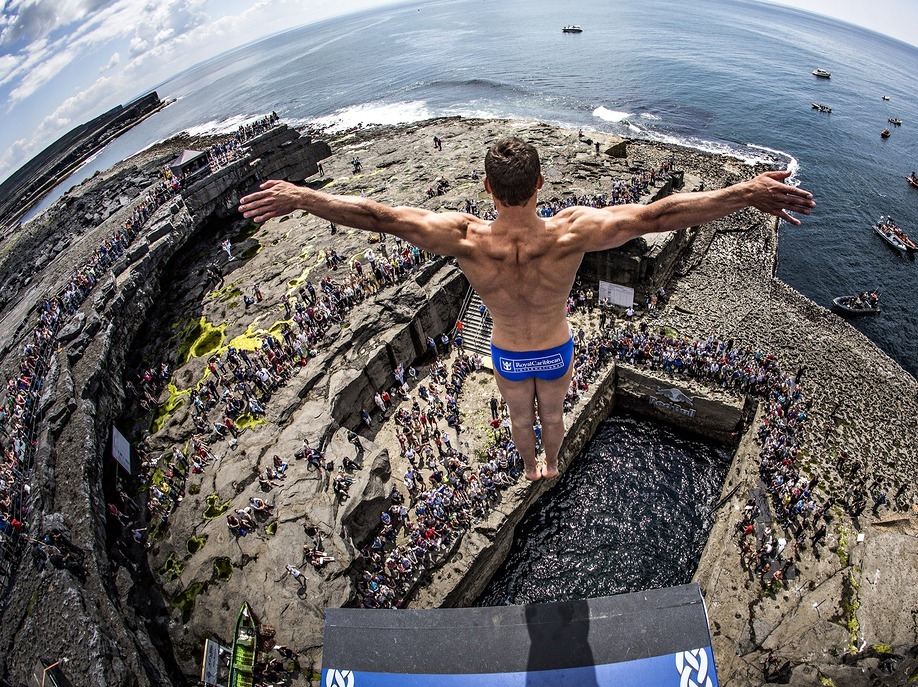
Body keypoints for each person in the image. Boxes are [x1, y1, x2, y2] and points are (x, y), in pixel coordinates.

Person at [239, 136, 814, 480]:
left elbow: (378, 216)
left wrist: (302, 197)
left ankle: (531, 466)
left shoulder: (465, 239)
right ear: (540, 182)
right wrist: (744, 192)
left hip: (509, 354)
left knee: (520, 420)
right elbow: (659, 215)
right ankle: (554, 462)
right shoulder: (571, 232)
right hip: (556, 348)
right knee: (555, 418)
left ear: (487, 188)